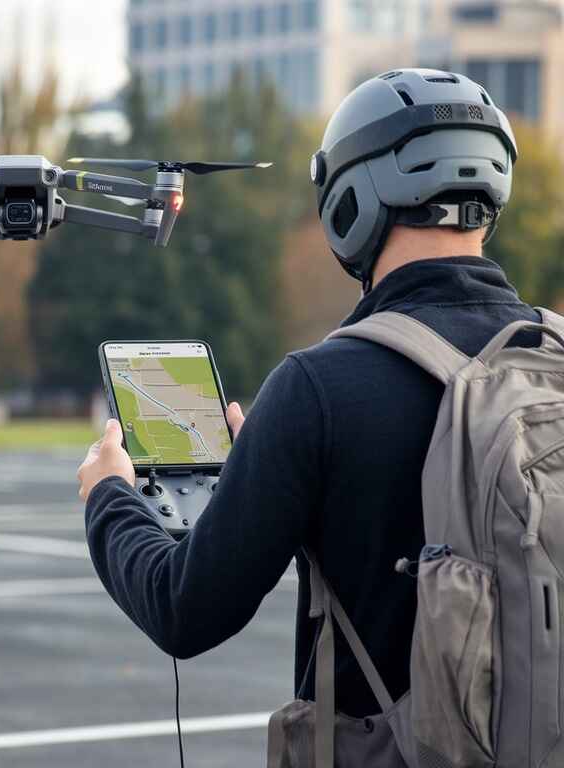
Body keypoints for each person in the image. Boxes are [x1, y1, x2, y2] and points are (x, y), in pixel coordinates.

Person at [77, 69, 533, 717]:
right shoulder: (554, 358)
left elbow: (184, 610)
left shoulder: (320, 389)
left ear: (353, 199)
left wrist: (108, 498)